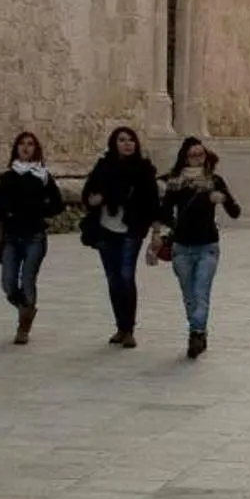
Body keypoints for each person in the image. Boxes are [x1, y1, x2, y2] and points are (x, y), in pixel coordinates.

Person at [159, 136, 242, 358]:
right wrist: (171, 227)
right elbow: (164, 212)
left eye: (201, 154)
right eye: (193, 155)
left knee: (200, 292)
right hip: (182, 248)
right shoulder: (175, 182)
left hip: (208, 247)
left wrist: (222, 199)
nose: (197, 159)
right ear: (185, 158)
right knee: (189, 296)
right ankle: (199, 330)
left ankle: (196, 333)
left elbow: (236, 211)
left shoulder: (214, 181)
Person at [81, 125, 160, 347]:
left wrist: (156, 231)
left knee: (126, 276)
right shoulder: (104, 167)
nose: (127, 144)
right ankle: (120, 327)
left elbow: (153, 202)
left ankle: (129, 328)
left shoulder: (143, 170)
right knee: (113, 279)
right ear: (114, 144)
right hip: (106, 229)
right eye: (122, 140)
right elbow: (88, 193)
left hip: (131, 230)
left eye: (131, 140)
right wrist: (92, 200)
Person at [0, 129, 66, 343]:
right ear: (16, 148)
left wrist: (40, 210)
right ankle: (26, 308)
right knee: (8, 282)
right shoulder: (8, 176)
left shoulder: (42, 177)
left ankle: (23, 326)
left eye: (30, 144)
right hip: (12, 236)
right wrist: (8, 212)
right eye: (22, 143)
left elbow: (58, 204)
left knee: (28, 279)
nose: (26, 147)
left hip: (35, 236)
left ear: (36, 149)